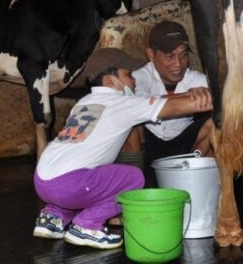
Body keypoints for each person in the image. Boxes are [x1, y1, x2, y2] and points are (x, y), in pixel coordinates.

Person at [32, 47, 212, 249]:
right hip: (71, 183)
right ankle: (86, 225)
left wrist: (187, 94)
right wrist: (223, 98)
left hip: (42, 180)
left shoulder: (84, 102)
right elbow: (174, 107)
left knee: (87, 184)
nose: (134, 81)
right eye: (128, 75)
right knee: (133, 178)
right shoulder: (122, 103)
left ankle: (52, 217)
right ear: (110, 81)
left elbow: (162, 101)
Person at [132, 20, 214, 187]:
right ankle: (133, 184)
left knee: (218, 122)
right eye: (169, 56)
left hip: (184, 146)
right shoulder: (139, 77)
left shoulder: (196, 79)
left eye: (183, 55)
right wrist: (188, 96)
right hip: (149, 146)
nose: (178, 64)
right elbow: (139, 103)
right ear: (151, 54)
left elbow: (227, 97)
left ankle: (194, 174)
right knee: (130, 124)